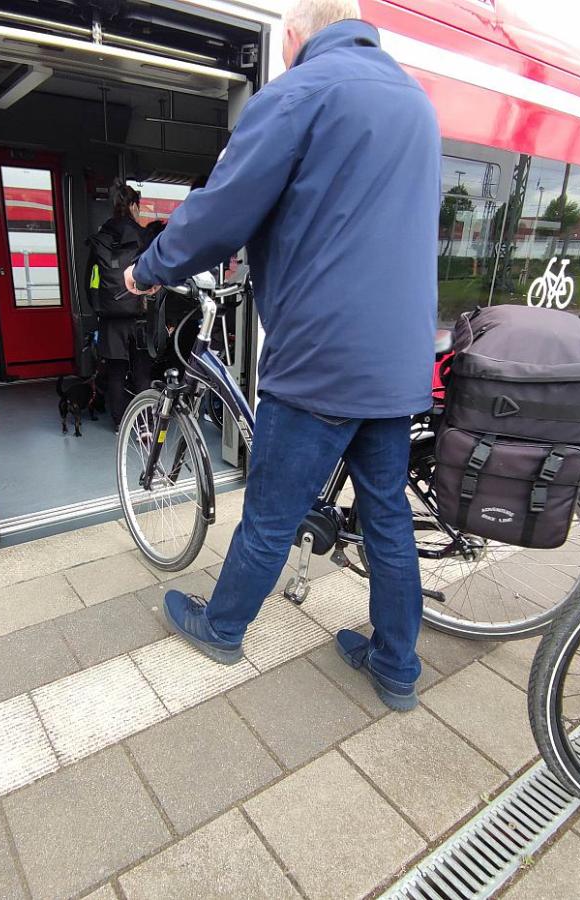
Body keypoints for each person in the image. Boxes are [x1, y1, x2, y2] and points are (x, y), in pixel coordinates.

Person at [124, 0, 440, 711]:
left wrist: (149, 268)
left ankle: (222, 626)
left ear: (296, 35)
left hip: (324, 358)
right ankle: (396, 668)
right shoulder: (414, 103)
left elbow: (223, 207)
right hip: (396, 362)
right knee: (386, 517)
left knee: (270, 512)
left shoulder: (302, 90)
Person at [90, 180, 157, 431]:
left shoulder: (100, 238)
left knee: (116, 373)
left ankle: (119, 423)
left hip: (110, 318)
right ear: (133, 205)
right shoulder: (143, 237)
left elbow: (92, 281)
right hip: (139, 316)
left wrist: (100, 309)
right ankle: (146, 424)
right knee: (142, 373)